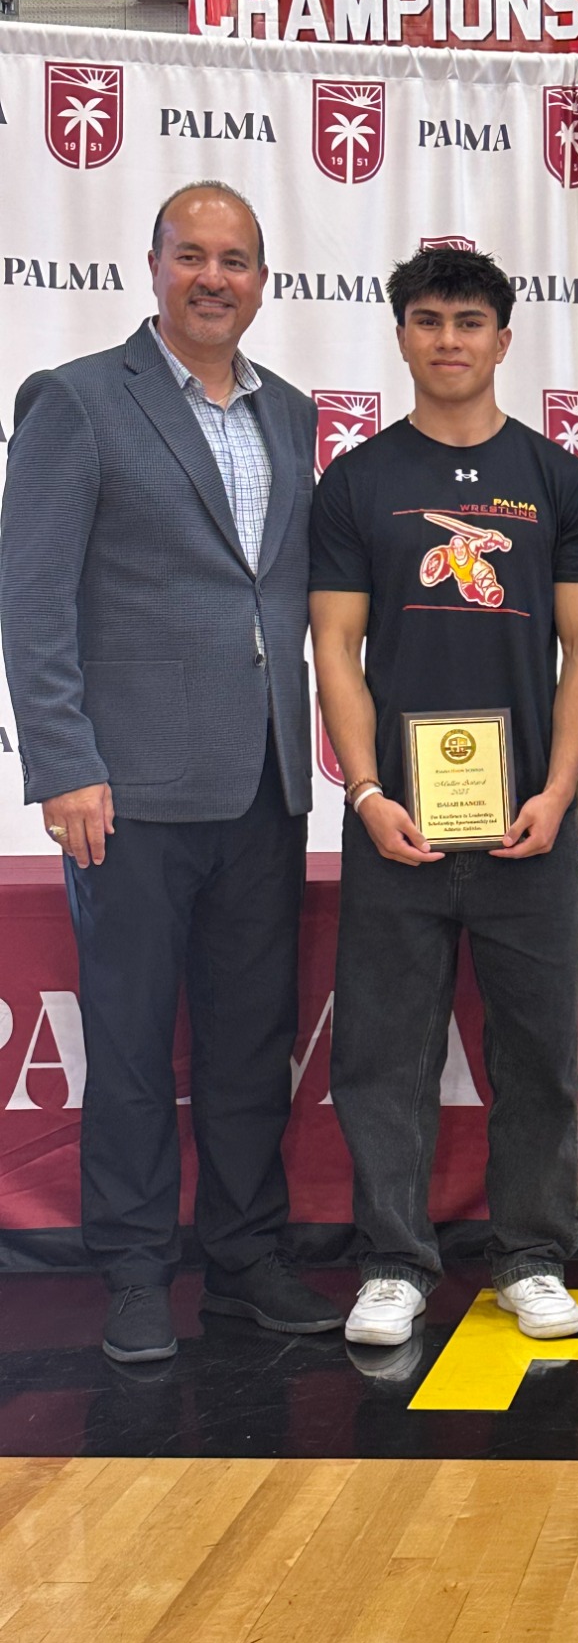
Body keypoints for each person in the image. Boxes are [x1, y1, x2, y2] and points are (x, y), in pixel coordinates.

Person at [0, 182, 341, 1362]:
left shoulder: (291, 413)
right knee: (135, 1042)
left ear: (263, 281)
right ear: (152, 267)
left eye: (234, 260)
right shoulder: (78, 400)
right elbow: (32, 596)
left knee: (250, 1043)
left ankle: (245, 1261)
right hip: (127, 792)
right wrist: (64, 762)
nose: (213, 278)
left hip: (265, 783)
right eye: (190, 255)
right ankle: (138, 1270)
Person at [310, 245, 578, 1348]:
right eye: (430, 320)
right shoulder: (356, 482)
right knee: (382, 1054)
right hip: (395, 824)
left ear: (503, 338)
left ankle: (532, 1255)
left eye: (469, 321)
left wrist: (561, 789)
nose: (449, 339)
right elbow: (335, 649)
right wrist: (366, 790)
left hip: (530, 824)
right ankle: (394, 1264)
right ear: (402, 335)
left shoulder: (558, 480)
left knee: (535, 1055)